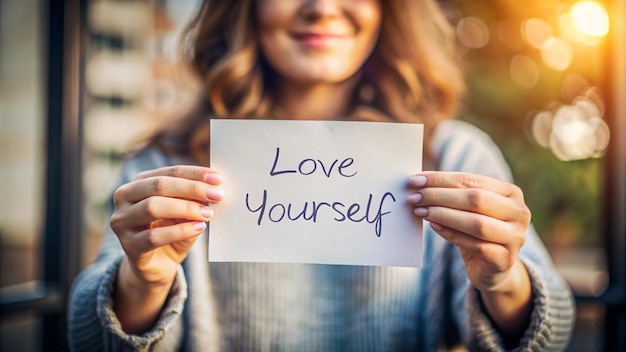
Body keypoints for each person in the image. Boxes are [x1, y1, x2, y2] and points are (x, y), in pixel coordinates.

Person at [68, 0, 575, 351]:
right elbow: (90, 338)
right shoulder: (166, 165)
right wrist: (143, 281)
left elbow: (550, 332)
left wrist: (503, 280)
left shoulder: (455, 155)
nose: (321, 7)